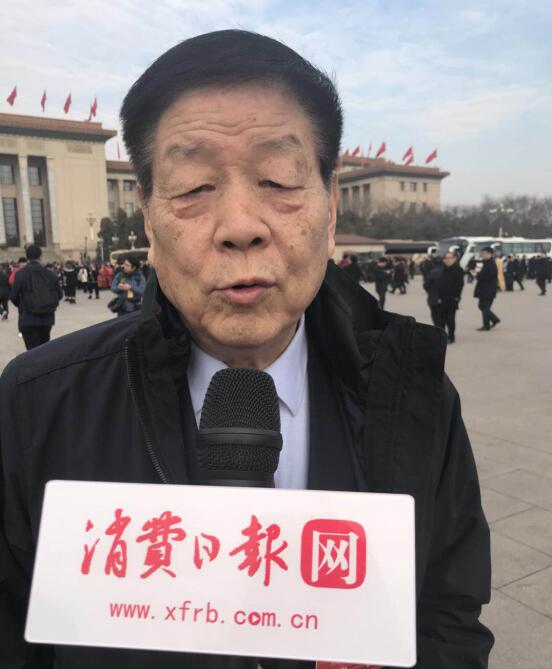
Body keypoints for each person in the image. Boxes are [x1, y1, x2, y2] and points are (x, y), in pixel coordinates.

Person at [0, 30, 492, 669]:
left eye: (277, 179)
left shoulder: (416, 396)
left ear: (330, 205)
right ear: (148, 217)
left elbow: (449, 617)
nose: (240, 227)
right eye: (193, 187)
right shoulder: (37, 406)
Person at [9, 244, 62, 350]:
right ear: (40, 256)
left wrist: (22, 305)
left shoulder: (21, 274)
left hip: (28, 318)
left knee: (31, 351)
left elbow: (13, 296)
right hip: (47, 318)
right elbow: (59, 295)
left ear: (27, 257)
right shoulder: (50, 274)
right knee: (44, 349)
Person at [423, 252, 464, 343]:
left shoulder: (458, 270)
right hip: (441, 299)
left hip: (452, 299)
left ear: (455, 259)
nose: (448, 260)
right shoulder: (443, 270)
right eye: (446, 258)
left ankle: (451, 336)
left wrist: (457, 296)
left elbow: (460, 285)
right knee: (441, 319)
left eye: (450, 258)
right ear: (443, 260)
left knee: (450, 319)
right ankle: (442, 337)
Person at [473, 246, 500, 331]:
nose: (482, 255)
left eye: (484, 253)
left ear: (490, 254)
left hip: (488, 290)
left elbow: (487, 277)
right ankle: (488, 324)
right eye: (482, 253)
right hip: (485, 289)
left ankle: (493, 320)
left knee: (483, 306)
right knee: (484, 307)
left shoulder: (491, 264)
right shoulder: (486, 263)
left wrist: (477, 275)